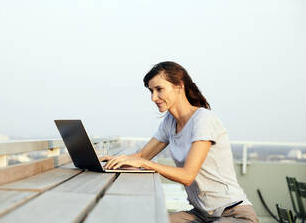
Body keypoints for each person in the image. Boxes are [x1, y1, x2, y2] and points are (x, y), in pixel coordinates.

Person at [100, 61, 259, 223]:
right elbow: (142, 156)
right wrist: (109, 160)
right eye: (151, 91)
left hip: (233, 214)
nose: (153, 98)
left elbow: (187, 175)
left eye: (159, 89)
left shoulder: (203, 119)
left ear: (179, 86)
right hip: (201, 214)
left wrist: (144, 162)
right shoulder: (169, 122)